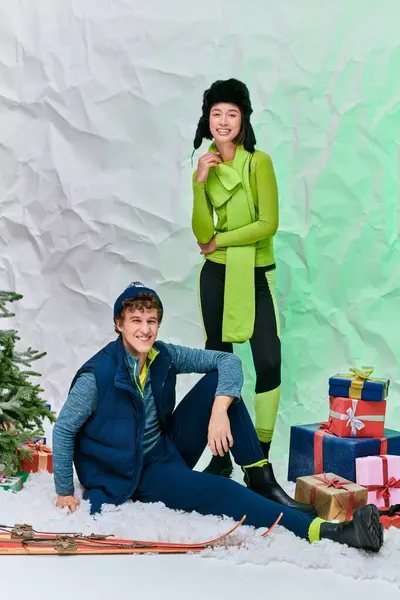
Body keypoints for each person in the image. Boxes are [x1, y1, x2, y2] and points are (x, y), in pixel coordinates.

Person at [52, 282, 383, 552]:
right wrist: (65, 491)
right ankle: (330, 533)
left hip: (164, 450)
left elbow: (227, 363)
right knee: (222, 492)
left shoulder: (162, 355)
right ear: (119, 324)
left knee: (221, 387)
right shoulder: (98, 375)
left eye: (151, 320)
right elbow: (65, 429)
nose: (145, 329)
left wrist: (219, 411)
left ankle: (260, 480)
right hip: (132, 474)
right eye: (136, 321)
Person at [191, 78, 281, 480]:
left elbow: (268, 224)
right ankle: (222, 455)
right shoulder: (207, 166)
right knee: (219, 362)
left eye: (232, 113)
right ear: (207, 120)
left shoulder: (258, 162)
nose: (224, 121)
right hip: (216, 276)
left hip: (256, 273)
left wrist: (219, 241)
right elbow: (200, 233)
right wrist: (198, 183)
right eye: (216, 114)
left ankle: (258, 456)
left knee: (268, 360)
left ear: (242, 118)